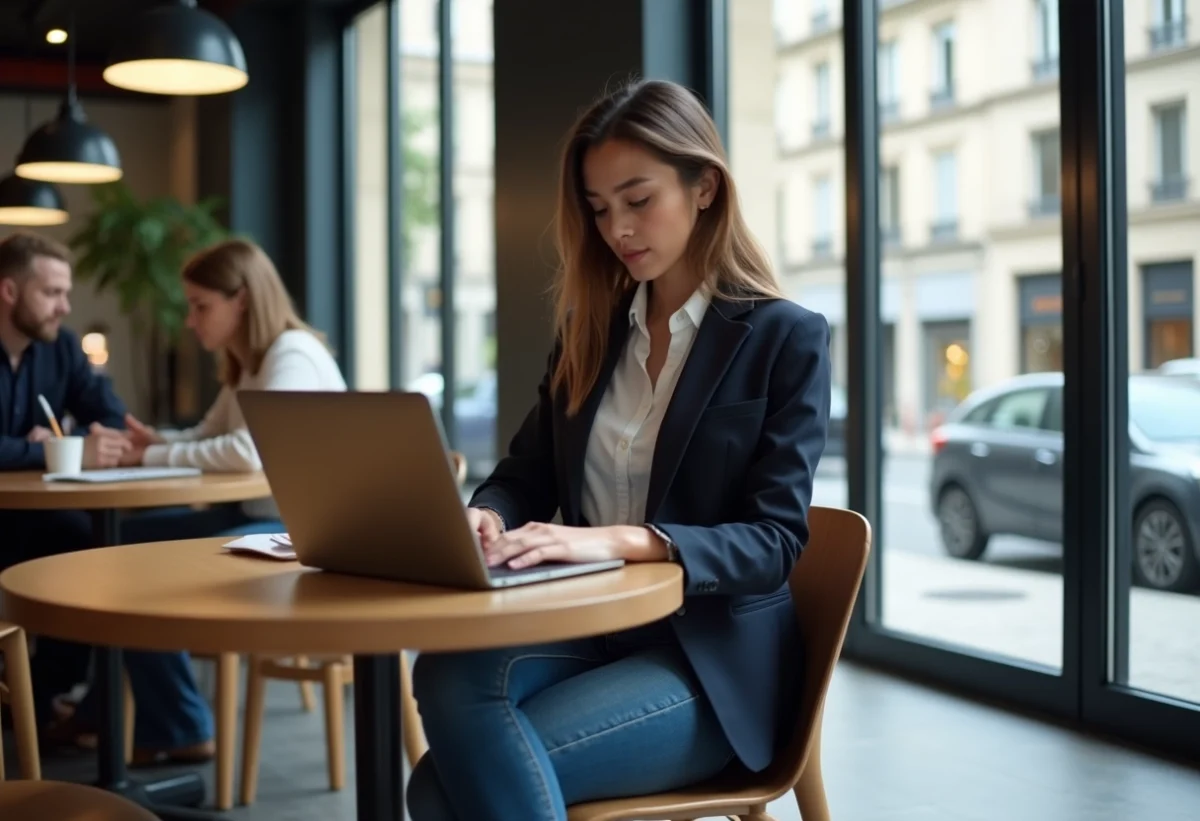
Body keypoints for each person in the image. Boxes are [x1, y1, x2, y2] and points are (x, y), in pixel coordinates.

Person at [406, 79, 832, 821]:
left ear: (704, 187)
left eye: (638, 200)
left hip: (712, 662)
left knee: (438, 789)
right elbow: (524, 475)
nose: (618, 229)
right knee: (445, 674)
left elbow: (773, 540)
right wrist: (489, 516)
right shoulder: (590, 333)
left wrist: (623, 539)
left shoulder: (784, 338)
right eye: (600, 209)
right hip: (591, 628)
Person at [61, 238, 349, 765]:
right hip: (258, 514)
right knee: (116, 550)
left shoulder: (292, 356)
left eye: (201, 306)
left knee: (139, 573)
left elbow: (248, 453)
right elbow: (208, 433)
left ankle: (178, 726)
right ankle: (105, 711)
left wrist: (146, 458)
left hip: (301, 533)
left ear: (242, 299)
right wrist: (157, 442)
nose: (191, 321)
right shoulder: (247, 363)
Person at [0, 231, 132, 728]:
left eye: (65, 293)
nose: (64, 306)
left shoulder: (63, 349)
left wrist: (75, 437)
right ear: (9, 291)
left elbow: (112, 418)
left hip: (38, 522)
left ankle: (34, 696)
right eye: (52, 293)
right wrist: (47, 450)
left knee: (88, 549)